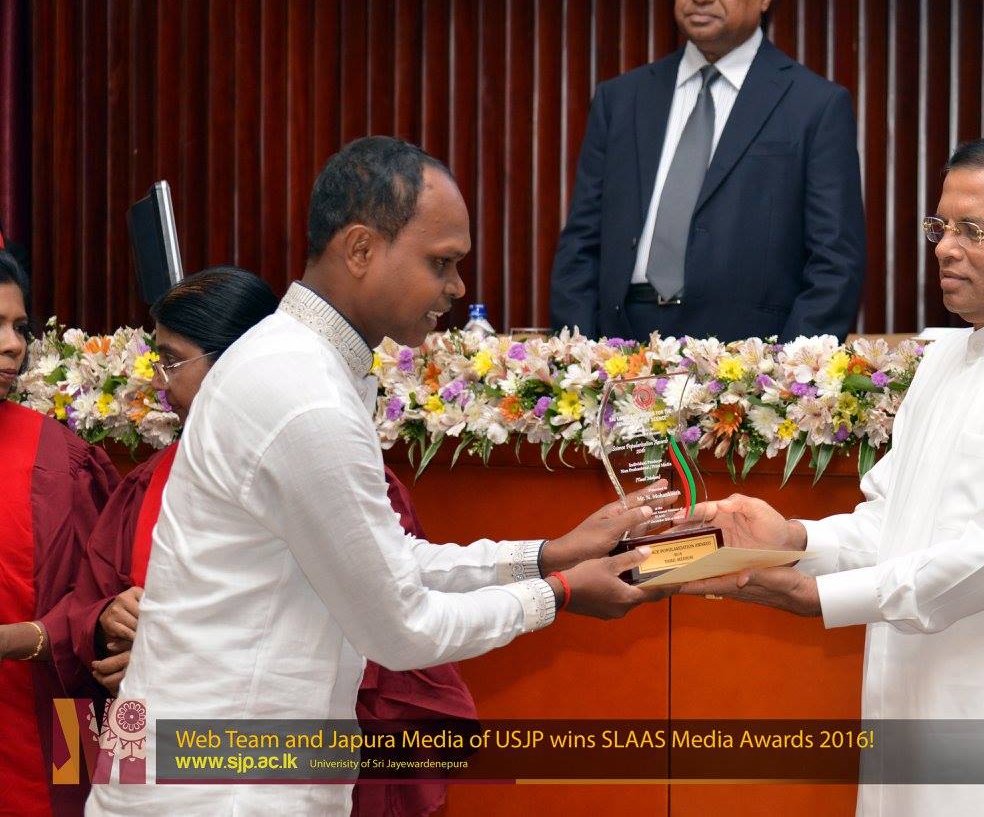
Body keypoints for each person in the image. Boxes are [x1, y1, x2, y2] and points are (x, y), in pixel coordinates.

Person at [88, 137, 669, 815]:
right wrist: (560, 595)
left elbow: (387, 561)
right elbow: (402, 627)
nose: (456, 288)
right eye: (440, 262)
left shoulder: (304, 362)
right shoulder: (302, 391)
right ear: (361, 249)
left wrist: (546, 556)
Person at [684, 133, 984, 815]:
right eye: (940, 226)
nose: (945, 248)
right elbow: (892, 521)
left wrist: (819, 598)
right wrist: (796, 540)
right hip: (906, 702)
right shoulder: (945, 357)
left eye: (973, 231)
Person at [48, 266, 479, 817]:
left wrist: (180, 655)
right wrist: (105, 625)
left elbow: (394, 632)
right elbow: (87, 606)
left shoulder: (350, 480)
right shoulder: (148, 482)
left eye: (173, 362)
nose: (161, 383)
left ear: (239, 365)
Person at [549, 0, 865, 342]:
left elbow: (835, 261)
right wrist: (578, 352)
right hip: (620, 345)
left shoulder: (815, 105)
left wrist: (786, 370)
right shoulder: (621, 99)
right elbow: (582, 243)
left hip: (750, 356)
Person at [0, 248, 120, 816]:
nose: (13, 345)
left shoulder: (56, 457)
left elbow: (98, 600)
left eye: (19, 327)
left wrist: (19, 639)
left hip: (44, 723)